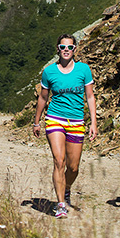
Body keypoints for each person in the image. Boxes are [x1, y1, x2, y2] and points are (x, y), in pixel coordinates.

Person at [32, 34, 98, 219]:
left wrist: (93, 122)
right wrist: (37, 122)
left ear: (75, 49)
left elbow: (90, 97)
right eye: (63, 47)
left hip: (76, 121)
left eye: (69, 47)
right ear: (58, 49)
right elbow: (43, 98)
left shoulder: (84, 70)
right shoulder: (49, 72)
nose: (66, 50)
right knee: (59, 161)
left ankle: (66, 187)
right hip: (54, 119)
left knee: (73, 167)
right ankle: (61, 204)